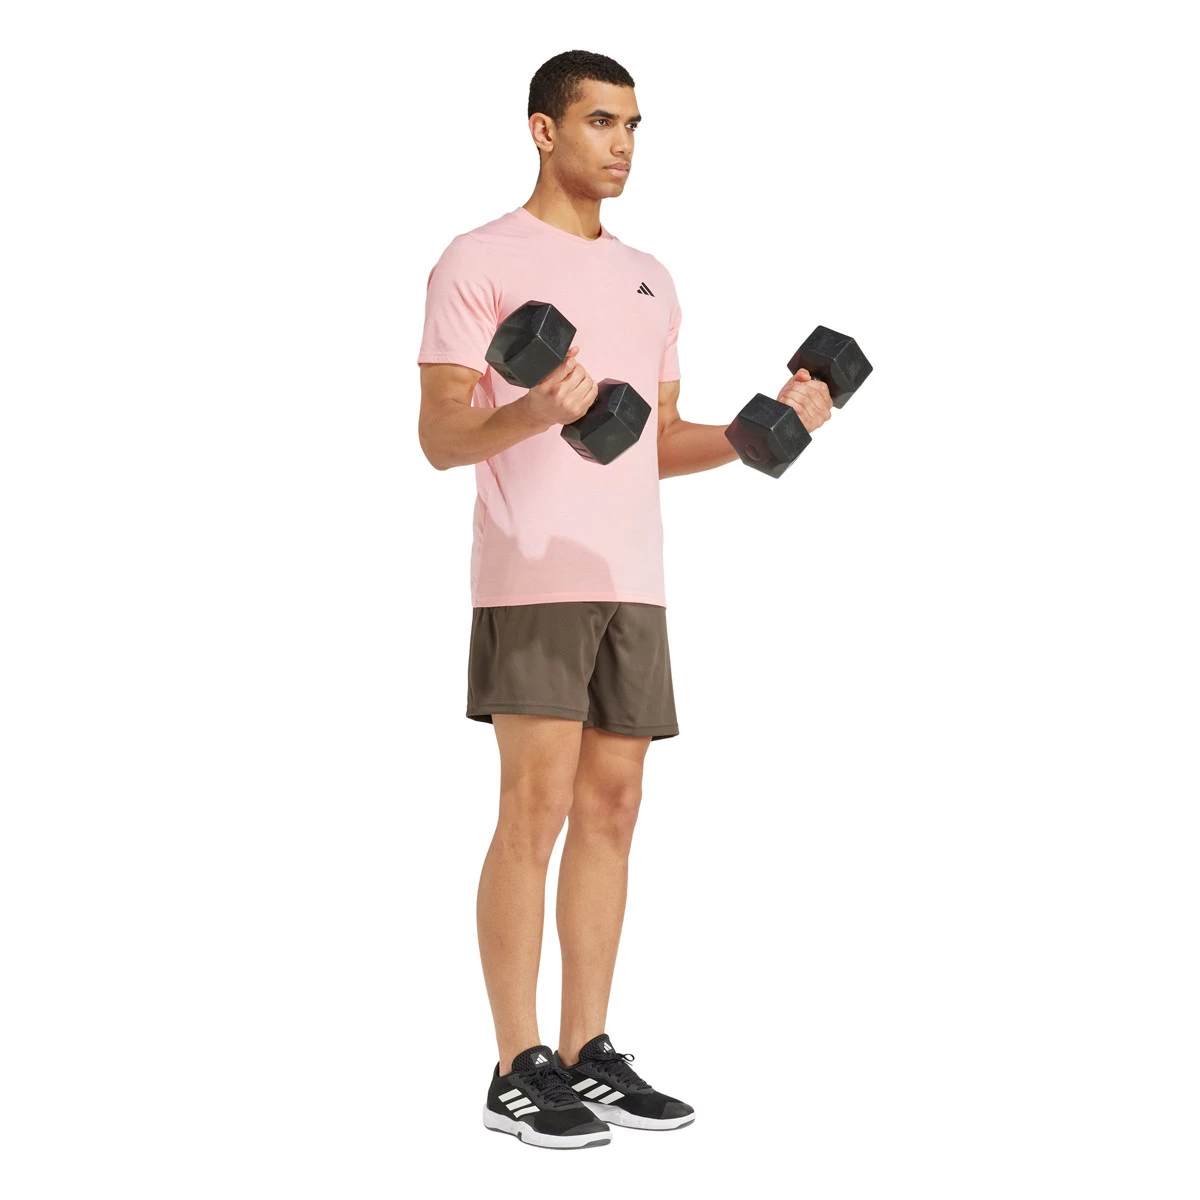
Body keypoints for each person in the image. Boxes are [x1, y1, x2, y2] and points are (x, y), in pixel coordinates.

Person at [416, 49, 834, 1150]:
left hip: (633, 580)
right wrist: (532, 411)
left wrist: (764, 430)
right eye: (601, 121)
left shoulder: (652, 277)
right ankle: (516, 1066)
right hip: (533, 574)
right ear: (544, 130)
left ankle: (586, 1050)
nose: (623, 145)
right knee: (535, 809)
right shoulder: (478, 259)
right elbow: (440, 436)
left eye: (634, 126)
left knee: (613, 808)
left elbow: (653, 441)